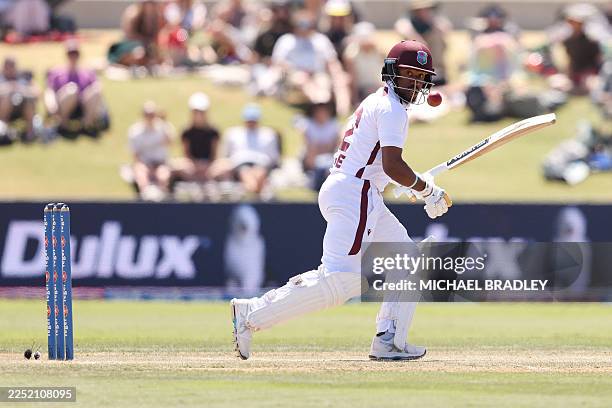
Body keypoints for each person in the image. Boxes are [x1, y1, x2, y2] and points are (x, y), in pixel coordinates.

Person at [231, 40, 451, 361]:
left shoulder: (377, 102)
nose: (414, 84)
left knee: (407, 260)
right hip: (355, 193)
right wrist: (426, 190)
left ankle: (389, 339)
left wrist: (411, 184)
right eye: (408, 75)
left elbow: (379, 165)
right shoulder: (391, 110)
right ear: (391, 73)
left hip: (357, 190)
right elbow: (392, 165)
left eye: (420, 77)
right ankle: (251, 314)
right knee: (341, 280)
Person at [271, 9, 350, 115]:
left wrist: (338, 73)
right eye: (301, 25)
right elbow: (278, 62)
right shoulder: (286, 40)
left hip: (318, 73)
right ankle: (321, 106)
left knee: (332, 81)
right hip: (295, 74)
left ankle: (341, 112)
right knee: (302, 79)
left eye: (307, 25)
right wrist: (292, 70)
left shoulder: (321, 40)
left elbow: (332, 61)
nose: (304, 29)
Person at [45, 40, 109, 138]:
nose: (73, 57)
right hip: (63, 106)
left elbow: (97, 87)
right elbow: (50, 91)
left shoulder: (88, 72)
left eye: (75, 54)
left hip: (83, 105)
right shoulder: (57, 72)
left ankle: (87, 125)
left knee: (96, 91)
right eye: (70, 54)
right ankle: (63, 125)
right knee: (72, 90)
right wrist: (51, 106)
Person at [213, 103, 280, 195]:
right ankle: (254, 194)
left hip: (262, 165)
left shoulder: (268, 134)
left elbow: (274, 158)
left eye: (253, 120)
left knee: (259, 173)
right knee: (246, 173)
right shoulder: (233, 134)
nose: (251, 123)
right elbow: (225, 156)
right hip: (240, 165)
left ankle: (253, 194)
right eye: (249, 120)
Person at [394, 0, 451, 85]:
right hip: (413, 73)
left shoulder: (435, 23)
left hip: (436, 72)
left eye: (427, 9)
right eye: (420, 10)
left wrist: (432, 25)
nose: (424, 12)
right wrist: (418, 39)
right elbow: (402, 28)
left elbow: (445, 28)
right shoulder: (406, 24)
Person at [128, 101, 174, 200]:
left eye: (152, 114)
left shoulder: (163, 128)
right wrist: (146, 167)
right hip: (144, 164)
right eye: (147, 114)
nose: (150, 117)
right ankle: (144, 201)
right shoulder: (135, 131)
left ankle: (163, 202)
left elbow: (171, 142)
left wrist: (164, 123)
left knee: (163, 177)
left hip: (161, 164)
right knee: (141, 176)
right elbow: (135, 155)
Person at [172, 92, 220, 182]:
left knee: (223, 167)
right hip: (192, 165)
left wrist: (205, 165)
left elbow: (214, 155)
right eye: (196, 112)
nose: (198, 115)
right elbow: (186, 155)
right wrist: (196, 165)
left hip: (209, 165)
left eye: (201, 112)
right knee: (179, 166)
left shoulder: (214, 131)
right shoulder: (186, 131)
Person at [297, 102, 340, 190]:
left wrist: (321, 148)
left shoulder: (334, 125)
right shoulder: (307, 124)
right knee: (311, 152)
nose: (321, 113)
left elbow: (333, 145)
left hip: (330, 155)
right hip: (309, 157)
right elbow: (309, 145)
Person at [0, 57, 39, 142]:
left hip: (22, 107)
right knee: (7, 98)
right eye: (7, 67)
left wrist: (20, 89)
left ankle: (30, 133)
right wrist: (9, 87)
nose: (10, 69)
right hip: (3, 109)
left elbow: (37, 92)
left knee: (29, 99)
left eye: (12, 66)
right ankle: (3, 131)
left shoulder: (24, 77)